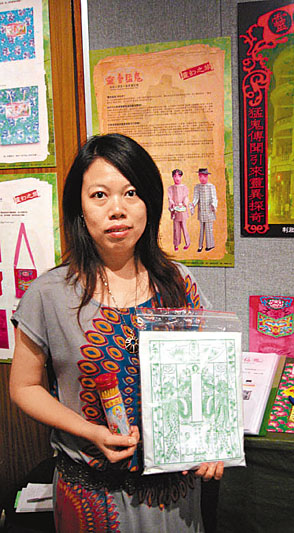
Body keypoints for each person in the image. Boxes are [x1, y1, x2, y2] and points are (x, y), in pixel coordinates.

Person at [9, 134, 224, 533]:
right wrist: (90, 432)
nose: (118, 209)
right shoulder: (49, 293)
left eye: (131, 193)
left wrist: (212, 439)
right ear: (79, 206)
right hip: (91, 492)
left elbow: (207, 374)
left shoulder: (180, 282)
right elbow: (24, 386)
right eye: (99, 195)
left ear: (150, 202)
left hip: (175, 494)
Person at [190, 169, 217, 252]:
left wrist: (213, 204)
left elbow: (214, 197)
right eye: (200, 176)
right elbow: (196, 198)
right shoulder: (197, 187)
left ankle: (210, 245)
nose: (202, 178)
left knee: (209, 229)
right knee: (201, 229)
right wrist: (193, 204)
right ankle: (200, 246)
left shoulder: (211, 186)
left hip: (209, 211)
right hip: (201, 211)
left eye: (204, 176)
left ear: (207, 176)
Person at [167, 169, 190, 251]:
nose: (177, 178)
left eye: (179, 176)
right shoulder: (170, 188)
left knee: (184, 227)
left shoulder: (184, 187)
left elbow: (186, 197)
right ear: (173, 177)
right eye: (175, 176)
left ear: (181, 177)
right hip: (175, 211)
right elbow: (170, 198)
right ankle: (176, 244)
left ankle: (187, 242)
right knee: (176, 229)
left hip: (182, 210)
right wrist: (172, 204)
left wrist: (184, 203)